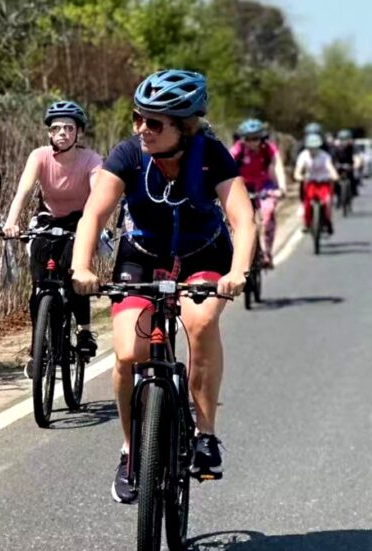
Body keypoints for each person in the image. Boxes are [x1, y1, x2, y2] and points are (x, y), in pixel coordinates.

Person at [69, 69, 256, 503]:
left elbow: (243, 219)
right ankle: (132, 448)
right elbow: (93, 215)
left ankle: (205, 434)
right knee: (128, 354)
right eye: (138, 118)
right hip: (142, 257)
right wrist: (82, 266)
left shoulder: (212, 155)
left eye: (154, 122)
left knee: (201, 319)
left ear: (185, 126)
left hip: (202, 255)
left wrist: (238, 272)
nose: (142, 129)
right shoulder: (129, 155)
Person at [3, 101, 103, 376]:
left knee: (75, 275)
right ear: (49, 133)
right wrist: (11, 222)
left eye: (69, 128)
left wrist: (96, 226)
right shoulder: (39, 156)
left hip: (80, 221)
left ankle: (84, 331)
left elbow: (98, 197)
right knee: (39, 286)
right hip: (47, 220)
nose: (62, 133)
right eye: (56, 128)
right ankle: (39, 348)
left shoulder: (91, 160)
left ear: (78, 132)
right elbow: (23, 193)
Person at [229, 118, 287, 268]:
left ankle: (267, 253)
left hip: (265, 187)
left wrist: (282, 187)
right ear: (243, 139)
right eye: (248, 139)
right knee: (232, 221)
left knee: (267, 217)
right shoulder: (238, 150)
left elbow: (278, 166)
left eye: (255, 138)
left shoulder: (269, 149)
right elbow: (225, 165)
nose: (252, 142)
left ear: (262, 138)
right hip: (243, 187)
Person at [294, 133, 339, 234]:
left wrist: (334, 176)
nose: (313, 150)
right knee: (307, 204)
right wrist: (299, 176)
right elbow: (298, 171)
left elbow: (330, 168)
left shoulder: (324, 156)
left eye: (315, 148)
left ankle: (328, 221)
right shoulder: (303, 156)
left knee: (327, 202)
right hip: (310, 183)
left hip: (324, 182)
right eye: (311, 148)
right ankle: (306, 223)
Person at [332, 129, 360, 201]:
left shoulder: (353, 147)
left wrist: (356, 165)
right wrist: (335, 165)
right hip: (339, 165)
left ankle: (353, 191)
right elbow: (333, 159)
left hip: (350, 165)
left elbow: (357, 158)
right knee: (335, 179)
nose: (344, 142)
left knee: (354, 177)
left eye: (346, 139)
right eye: (342, 140)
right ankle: (337, 194)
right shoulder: (336, 148)